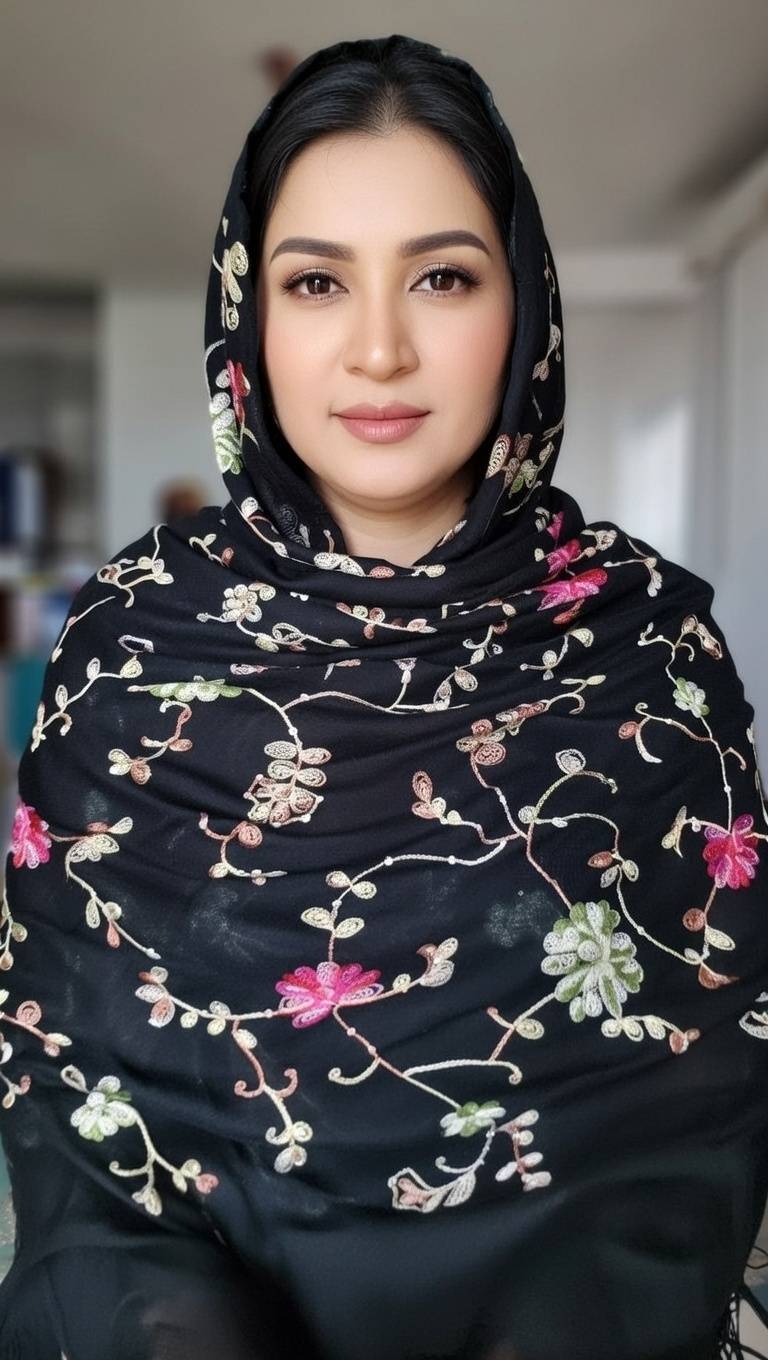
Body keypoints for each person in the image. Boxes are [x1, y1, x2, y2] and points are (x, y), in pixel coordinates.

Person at [1, 32, 767, 1360]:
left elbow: (695, 1126)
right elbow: (78, 1123)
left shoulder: (653, 646)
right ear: (248, 315)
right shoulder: (128, 640)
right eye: (316, 281)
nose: (378, 349)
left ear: (524, 303)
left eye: (443, 277)